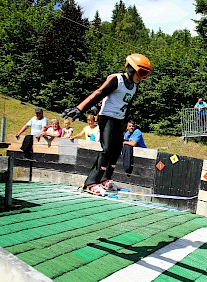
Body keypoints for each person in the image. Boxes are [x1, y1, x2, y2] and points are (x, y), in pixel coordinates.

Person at [61, 53, 152, 195]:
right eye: (141, 73)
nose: (142, 77)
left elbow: (127, 106)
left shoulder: (133, 87)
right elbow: (99, 93)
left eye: (145, 74)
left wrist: (124, 126)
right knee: (107, 149)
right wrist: (80, 108)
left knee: (116, 150)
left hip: (119, 120)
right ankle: (90, 183)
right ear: (131, 69)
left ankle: (105, 179)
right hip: (107, 117)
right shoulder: (117, 79)